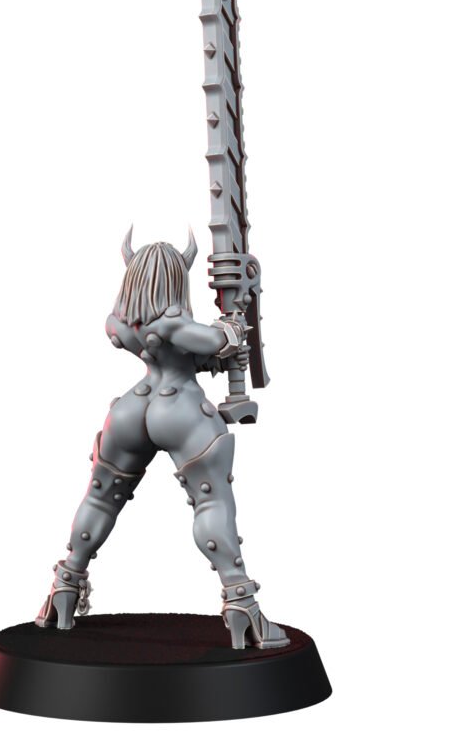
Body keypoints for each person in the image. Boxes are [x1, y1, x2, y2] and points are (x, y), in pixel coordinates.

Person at [35, 230, 289, 649]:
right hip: (181, 410)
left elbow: (181, 350)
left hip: (132, 409)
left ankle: (65, 586)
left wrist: (215, 356)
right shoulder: (173, 321)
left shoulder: (118, 322)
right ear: (175, 276)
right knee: (211, 501)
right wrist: (232, 328)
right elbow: (208, 339)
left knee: (100, 498)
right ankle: (242, 603)